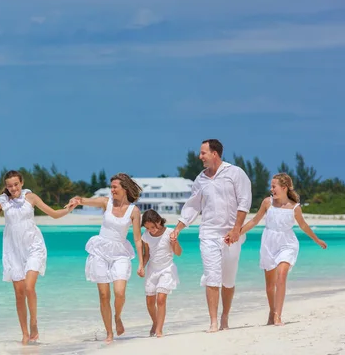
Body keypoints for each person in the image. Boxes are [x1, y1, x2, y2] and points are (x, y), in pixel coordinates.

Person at [0, 170, 77, 345]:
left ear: (21, 183)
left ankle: (33, 322)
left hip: (33, 247)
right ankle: (25, 334)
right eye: (9, 186)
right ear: (6, 186)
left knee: (29, 287)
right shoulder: (2, 201)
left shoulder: (30, 197)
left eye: (16, 184)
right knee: (19, 295)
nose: (13, 188)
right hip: (13, 251)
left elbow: (54, 214)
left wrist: (69, 208)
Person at [170, 139, 252, 333]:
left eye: (203, 153)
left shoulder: (235, 173)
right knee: (212, 276)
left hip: (232, 235)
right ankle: (213, 321)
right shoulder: (201, 179)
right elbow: (193, 206)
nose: (200, 157)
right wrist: (178, 228)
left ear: (214, 153)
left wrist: (236, 229)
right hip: (208, 233)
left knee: (228, 280)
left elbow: (244, 202)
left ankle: (225, 316)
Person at [240, 173, 327, 326]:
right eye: (271, 186)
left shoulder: (295, 207)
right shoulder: (268, 203)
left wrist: (316, 239)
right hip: (269, 243)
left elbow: (304, 226)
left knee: (281, 275)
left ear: (284, 187)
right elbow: (254, 220)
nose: (271, 189)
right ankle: (272, 311)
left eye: (274, 186)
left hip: (287, 243)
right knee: (269, 286)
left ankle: (278, 316)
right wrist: (236, 233)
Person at [68, 173, 144, 343]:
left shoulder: (134, 211)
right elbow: (84, 200)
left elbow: (138, 239)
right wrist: (76, 199)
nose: (112, 190)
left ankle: (117, 316)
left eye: (115, 187)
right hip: (100, 250)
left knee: (119, 292)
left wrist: (141, 263)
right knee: (103, 295)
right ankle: (109, 332)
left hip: (120, 252)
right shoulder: (105, 202)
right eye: (111, 187)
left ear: (124, 188)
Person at [139, 209, 181, 338]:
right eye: (147, 228)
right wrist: (141, 266)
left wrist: (174, 242)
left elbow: (178, 253)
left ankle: (159, 330)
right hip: (152, 270)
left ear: (158, 221)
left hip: (166, 269)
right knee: (150, 301)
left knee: (161, 299)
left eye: (152, 227)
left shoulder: (170, 233)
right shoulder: (146, 235)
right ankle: (155, 322)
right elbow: (147, 254)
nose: (150, 230)